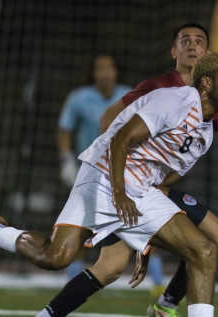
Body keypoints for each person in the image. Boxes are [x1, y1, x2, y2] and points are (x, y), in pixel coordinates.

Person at [0, 52, 218, 317]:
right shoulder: (173, 100)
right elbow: (120, 140)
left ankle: (164, 307)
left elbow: (167, 178)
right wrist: (118, 193)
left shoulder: (205, 133)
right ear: (206, 83)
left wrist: (146, 238)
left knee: (205, 250)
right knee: (55, 258)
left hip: (141, 190)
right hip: (102, 175)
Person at [37, 23, 218, 317]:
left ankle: (167, 304)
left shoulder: (215, 102)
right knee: (103, 266)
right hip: (123, 179)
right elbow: (110, 121)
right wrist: (116, 175)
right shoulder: (161, 88)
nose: (192, 46)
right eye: (184, 41)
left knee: (215, 239)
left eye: (199, 41)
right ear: (174, 51)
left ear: (208, 53)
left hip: (159, 186)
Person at [57, 54, 132, 279]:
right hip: (88, 171)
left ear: (116, 71)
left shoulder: (130, 96)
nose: (105, 73)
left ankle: (157, 282)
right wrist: (66, 160)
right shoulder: (79, 98)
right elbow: (64, 129)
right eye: (100, 68)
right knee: (82, 223)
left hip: (124, 171)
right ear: (93, 72)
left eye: (109, 68)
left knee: (143, 219)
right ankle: (72, 276)